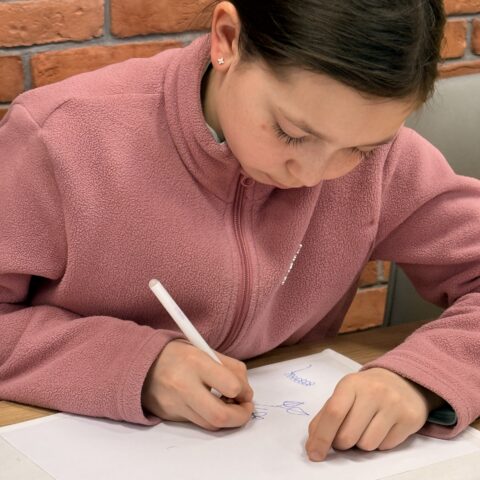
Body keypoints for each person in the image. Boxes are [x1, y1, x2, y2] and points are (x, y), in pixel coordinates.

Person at [0, 0, 479, 463]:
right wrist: (133, 366)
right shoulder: (60, 136)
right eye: (292, 133)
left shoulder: (388, 162)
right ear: (227, 38)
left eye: (360, 150)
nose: (313, 174)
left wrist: (423, 378)